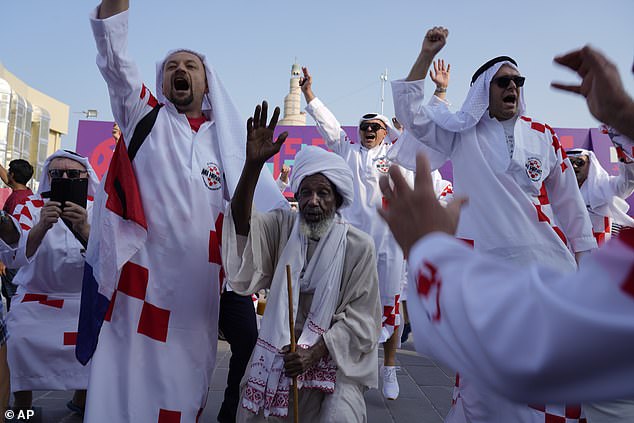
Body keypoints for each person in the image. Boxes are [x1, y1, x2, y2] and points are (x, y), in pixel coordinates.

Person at [375, 45, 634, 409]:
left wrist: (586, 265)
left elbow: (570, 206)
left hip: (547, 263)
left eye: (517, 81)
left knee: (553, 387)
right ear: (483, 90)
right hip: (488, 270)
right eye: (502, 82)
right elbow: (412, 116)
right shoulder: (460, 132)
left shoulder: (543, 134)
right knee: (482, 385)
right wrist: (424, 54)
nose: (512, 87)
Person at [80, 2, 287, 422]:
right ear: (162, 79)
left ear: (206, 81)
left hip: (198, 296)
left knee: (184, 392)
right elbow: (115, 56)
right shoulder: (144, 117)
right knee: (120, 388)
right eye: (173, 64)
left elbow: (244, 218)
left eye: (191, 65)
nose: (182, 70)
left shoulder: (227, 144)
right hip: (138, 287)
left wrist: (251, 166)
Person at [223, 103, 381, 422]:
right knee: (251, 411)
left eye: (323, 193)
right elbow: (243, 226)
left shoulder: (358, 247)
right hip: (280, 348)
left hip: (335, 359)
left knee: (340, 416)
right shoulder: (284, 227)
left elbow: (363, 321)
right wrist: (253, 166)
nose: (313, 201)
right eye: (306, 192)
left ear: (337, 200)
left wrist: (314, 353)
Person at [299, 65, 427, 399]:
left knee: (390, 308)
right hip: (350, 243)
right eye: (365, 127)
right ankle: (338, 365)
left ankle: (388, 369)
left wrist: (397, 131)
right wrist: (309, 95)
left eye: (376, 127)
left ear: (385, 133)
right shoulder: (349, 152)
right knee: (342, 303)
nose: (369, 131)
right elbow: (328, 128)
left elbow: (417, 141)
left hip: (389, 243)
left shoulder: (396, 155)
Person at [0, 150, 98, 414]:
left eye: (73, 174)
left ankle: (82, 398)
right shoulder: (29, 208)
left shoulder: (99, 209)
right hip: (37, 299)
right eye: (57, 173)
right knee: (17, 339)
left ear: (86, 178)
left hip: (82, 300)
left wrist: (85, 229)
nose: (65, 177)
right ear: (48, 178)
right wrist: (41, 226)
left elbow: (111, 259)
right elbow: (14, 257)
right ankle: (23, 407)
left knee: (101, 340)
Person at [566, 146, 634, 245]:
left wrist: (627, 162)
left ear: (590, 164)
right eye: (570, 163)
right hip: (571, 247)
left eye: (580, 162)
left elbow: (628, 183)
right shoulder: (560, 189)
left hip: (599, 246)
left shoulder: (605, 185)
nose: (575, 166)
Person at [0, 159, 34, 311]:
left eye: (9, 171)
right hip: (24, 258)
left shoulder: (15, 201)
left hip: (12, 259)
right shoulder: (27, 194)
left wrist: (3, 261)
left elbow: (11, 235)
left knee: (12, 298)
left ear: (12, 174)